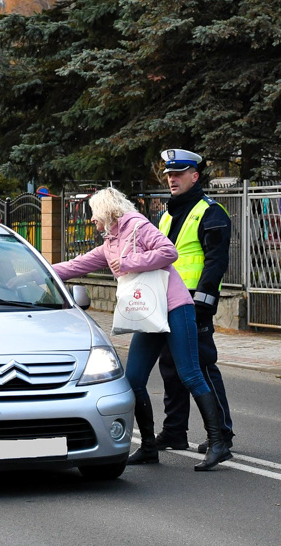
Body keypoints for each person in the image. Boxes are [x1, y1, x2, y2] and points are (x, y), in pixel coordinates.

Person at [52, 187, 232, 471]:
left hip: (175, 306)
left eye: (94, 216)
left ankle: (218, 442)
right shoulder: (110, 241)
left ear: (105, 211)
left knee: (189, 372)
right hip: (148, 314)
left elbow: (168, 252)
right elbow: (77, 265)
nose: (92, 222)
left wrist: (128, 262)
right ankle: (148, 446)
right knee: (133, 379)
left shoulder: (136, 225)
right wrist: (39, 271)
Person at [154, 149, 234, 454]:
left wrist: (203, 303)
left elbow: (216, 262)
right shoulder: (166, 214)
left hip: (194, 303)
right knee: (170, 367)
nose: (172, 180)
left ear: (194, 176)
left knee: (201, 365)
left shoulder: (211, 212)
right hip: (166, 302)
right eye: (169, 175)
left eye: (178, 174)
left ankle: (222, 434)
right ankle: (174, 431)